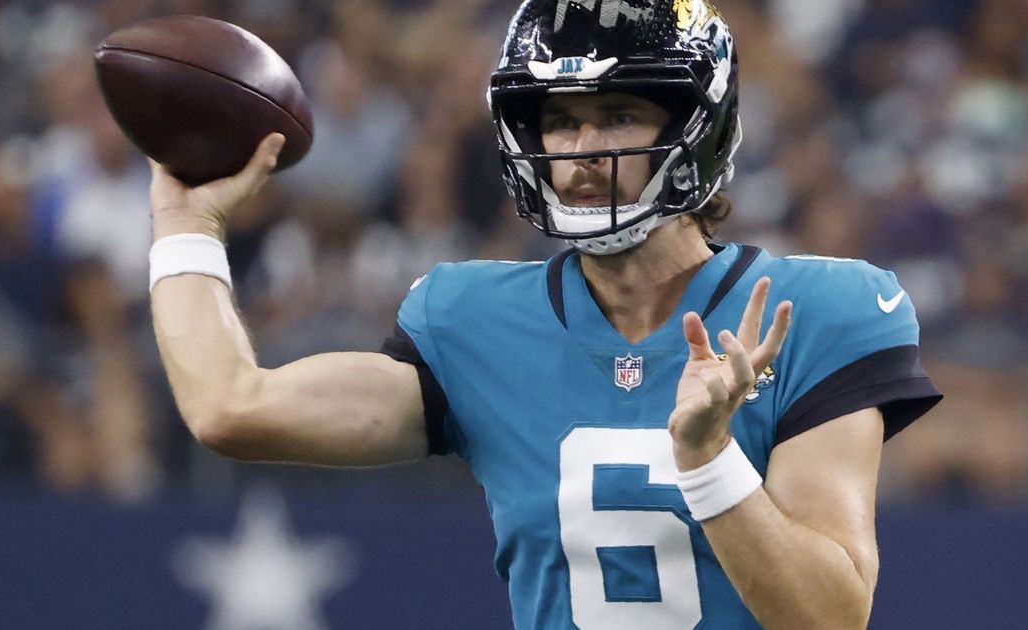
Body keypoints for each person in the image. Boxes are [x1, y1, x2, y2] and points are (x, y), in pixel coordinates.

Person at [146, 0, 941, 627]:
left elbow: (831, 617)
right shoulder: (473, 320)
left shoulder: (814, 310)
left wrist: (708, 461)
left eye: (618, 114)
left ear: (698, 128)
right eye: (560, 120)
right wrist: (187, 227)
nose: (583, 149)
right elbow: (230, 407)